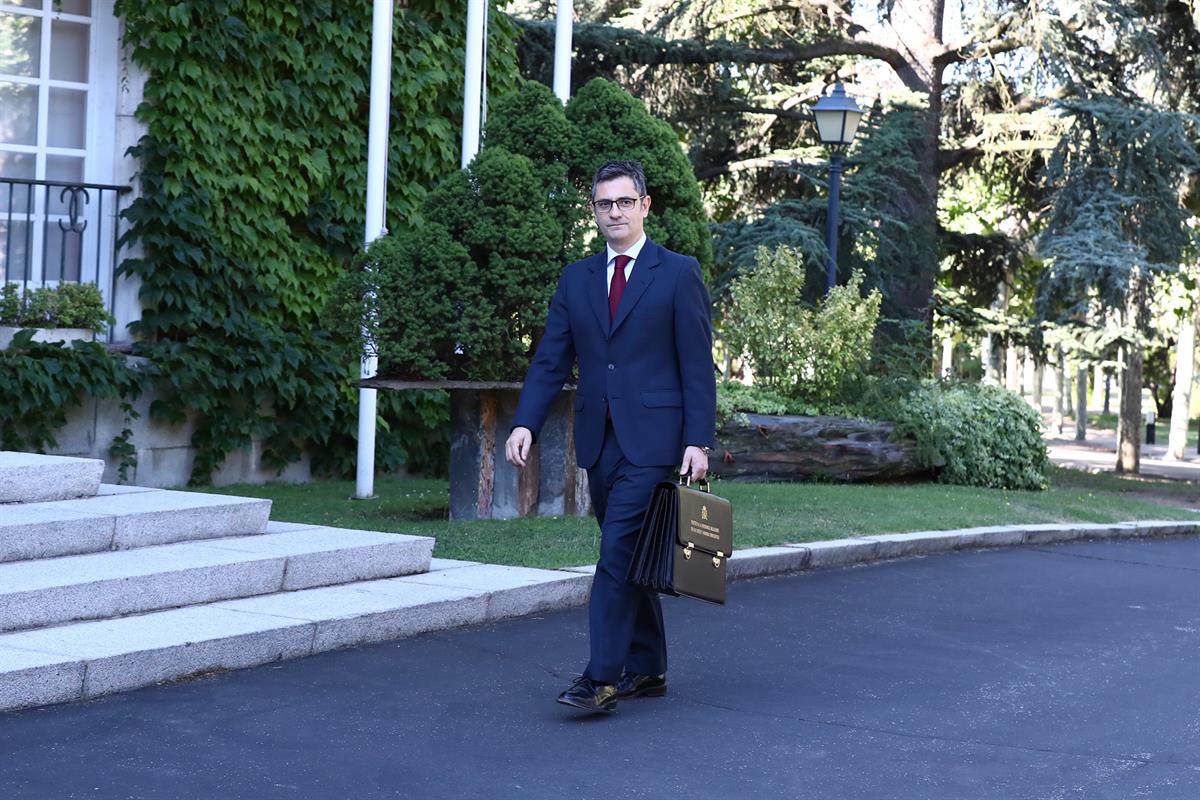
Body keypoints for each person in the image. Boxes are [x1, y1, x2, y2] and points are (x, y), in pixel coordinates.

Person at [505, 159, 716, 713]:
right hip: (598, 440)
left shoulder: (677, 272)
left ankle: (600, 677)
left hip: (655, 442)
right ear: (594, 211)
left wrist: (699, 440)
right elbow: (552, 360)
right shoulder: (576, 279)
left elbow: (697, 364)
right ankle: (648, 668)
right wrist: (525, 420)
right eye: (605, 203)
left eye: (625, 201)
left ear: (645, 206)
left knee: (615, 552)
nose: (614, 211)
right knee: (634, 554)